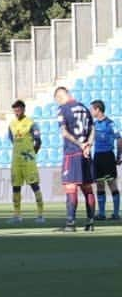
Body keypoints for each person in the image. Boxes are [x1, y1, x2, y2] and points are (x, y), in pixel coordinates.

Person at [55, 86, 96, 232]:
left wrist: (80, 144)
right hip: (86, 153)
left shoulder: (63, 109)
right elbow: (92, 129)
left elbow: (64, 133)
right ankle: (90, 222)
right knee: (87, 188)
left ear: (60, 97)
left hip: (72, 153)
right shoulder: (84, 108)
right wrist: (88, 145)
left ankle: (71, 223)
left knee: (70, 187)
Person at [7, 100, 45, 224]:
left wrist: (32, 153)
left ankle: (40, 214)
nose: (16, 113)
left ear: (23, 109)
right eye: (15, 111)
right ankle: (17, 215)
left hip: (28, 161)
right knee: (15, 187)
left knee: (35, 186)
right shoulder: (11, 124)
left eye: (18, 110)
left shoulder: (31, 123)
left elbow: (38, 140)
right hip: (16, 161)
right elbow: (12, 140)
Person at [89, 100, 121, 221]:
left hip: (108, 156)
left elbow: (119, 139)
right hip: (97, 157)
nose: (91, 111)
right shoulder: (94, 125)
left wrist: (119, 155)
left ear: (98, 110)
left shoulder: (110, 124)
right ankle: (101, 213)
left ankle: (116, 213)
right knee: (100, 184)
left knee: (112, 184)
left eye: (92, 109)